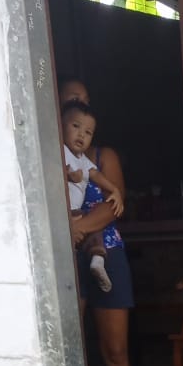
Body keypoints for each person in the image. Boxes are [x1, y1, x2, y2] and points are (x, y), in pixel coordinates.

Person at [58, 77, 142, 366]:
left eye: (86, 100)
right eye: (73, 100)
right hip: (66, 258)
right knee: (69, 350)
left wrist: (76, 228)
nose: (80, 105)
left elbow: (113, 206)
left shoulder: (102, 157)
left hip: (107, 253)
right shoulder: (51, 154)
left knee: (116, 350)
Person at [61, 98, 123, 294]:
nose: (81, 134)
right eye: (75, 126)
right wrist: (71, 175)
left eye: (88, 132)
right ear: (60, 126)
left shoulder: (82, 159)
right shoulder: (60, 151)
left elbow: (96, 175)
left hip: (79, 214)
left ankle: (97, 261)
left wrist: (114, 190)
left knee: (95, 234)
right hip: (64, 214)